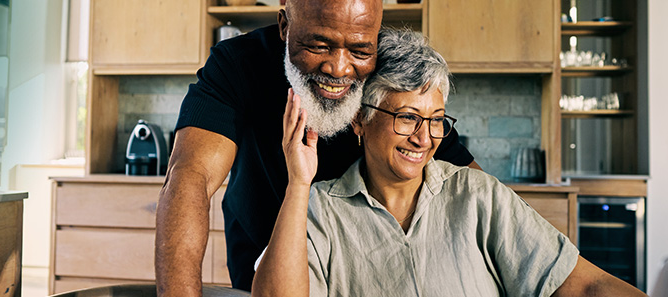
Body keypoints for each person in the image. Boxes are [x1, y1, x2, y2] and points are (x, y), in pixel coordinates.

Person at [251, 28, 647, 297]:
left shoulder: (479, 196)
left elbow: (582, 285)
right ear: (360, 119)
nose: (424, 139)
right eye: (407, 117)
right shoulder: (319, 208)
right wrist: (299, 183)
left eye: (437, 120)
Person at [155, 0, 480, 295]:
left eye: (360, 51)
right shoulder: (238, 64)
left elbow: (472, 186)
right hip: (262, 265)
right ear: (285, 25)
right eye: (319, 45)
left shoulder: (390, 66)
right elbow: (190, 176)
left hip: (361, 274)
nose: (339, 69)